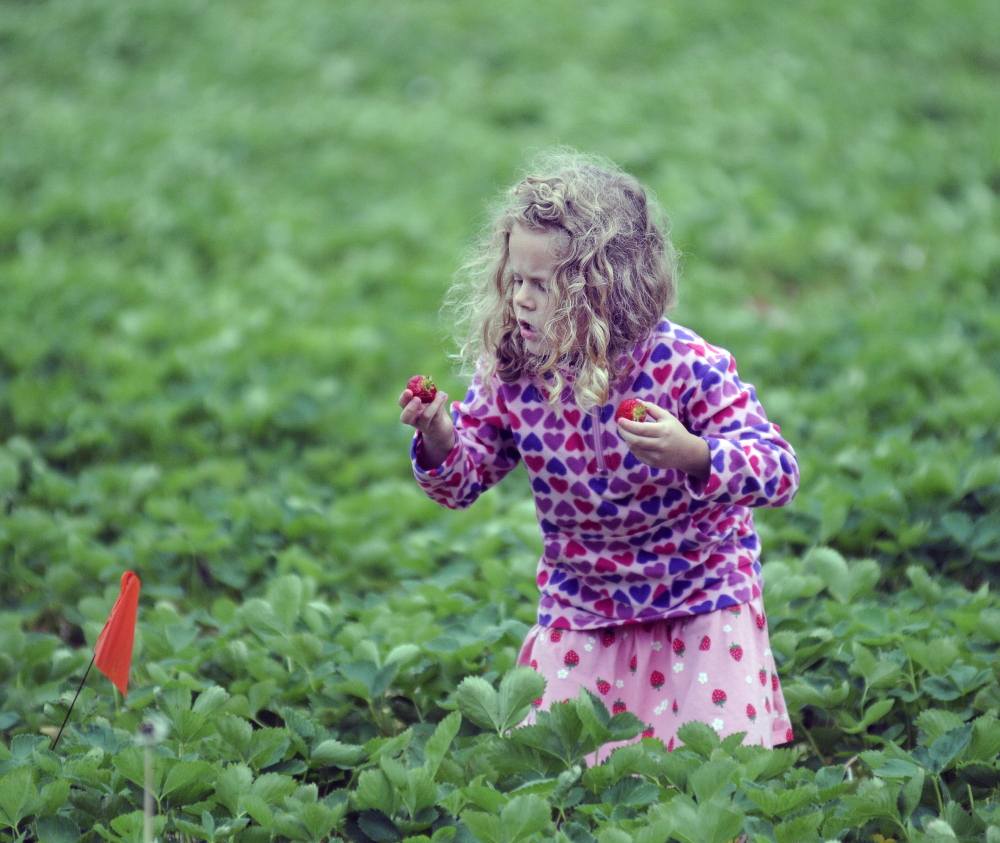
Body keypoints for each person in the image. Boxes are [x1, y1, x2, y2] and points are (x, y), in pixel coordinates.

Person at [399, 148, 799, 754]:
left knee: (712, 772)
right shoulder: (512, 372)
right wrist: (439, 433)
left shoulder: (686, 367)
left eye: (542, 286)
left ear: (601, 290)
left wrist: (695, 453)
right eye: (514, 282)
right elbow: (462, 480)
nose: (521, 302)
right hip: (583, 602)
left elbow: (778, 470)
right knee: (567, 774)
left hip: (700, 594)